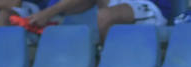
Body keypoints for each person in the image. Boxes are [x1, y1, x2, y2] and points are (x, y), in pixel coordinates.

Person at [27, 0, 175, 41]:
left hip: (151, 8)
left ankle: (106, 60)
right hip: (116, 7)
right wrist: (53, 11)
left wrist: (49, 12)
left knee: (105, 15)